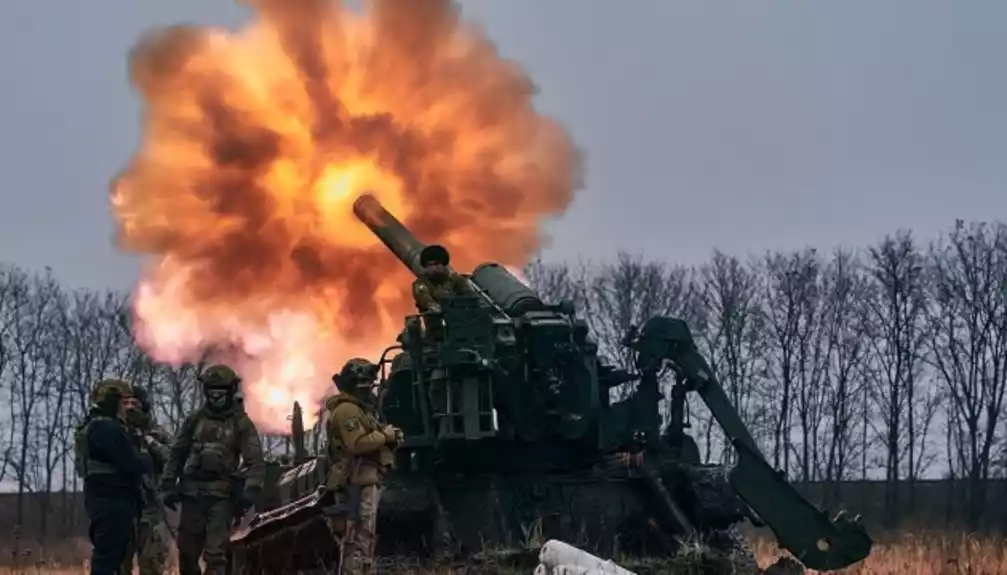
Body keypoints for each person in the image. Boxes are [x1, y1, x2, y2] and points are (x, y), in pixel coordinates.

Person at [158, 364, 265, 575]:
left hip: (222, 498)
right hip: (192, 496)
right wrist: (168, 484)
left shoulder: (241, 423)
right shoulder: (194, 420)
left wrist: (250, 491)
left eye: (221, 392)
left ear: (230, 391)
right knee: (187, 554)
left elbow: (255, 461)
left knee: (216, 555)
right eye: (212, 392)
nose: (216, 397)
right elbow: (177, 453)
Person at [324, 358, 403, 575]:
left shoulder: (359, 410)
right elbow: (357, 444)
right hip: (355, 482)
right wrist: (384, 435)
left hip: (365, 480)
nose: (369, 387)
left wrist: (390, 438)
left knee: (364, 539)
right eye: (365, 383)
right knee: (356, 539)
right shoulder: (347, 410)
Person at [73, 378, 149, 575]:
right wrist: (146, 459)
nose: (127, 408)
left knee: (110, 555)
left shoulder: (93, 425)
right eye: (124, 402)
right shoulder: (107, 428)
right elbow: (130, 462)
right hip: (112, 501)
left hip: (102, 499)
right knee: (108, 558)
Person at [120, 386, 174, 575]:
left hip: (150, 507)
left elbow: (171, 458)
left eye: (135, 403)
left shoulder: (154, 431)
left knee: (151, 562)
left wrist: (149, 441)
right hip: (121, 506)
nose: (130, 408)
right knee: (119, 562)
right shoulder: (113, 432)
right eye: (125, 403)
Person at [411, 244, 474, 314]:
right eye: (429, 265)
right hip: (437, 321)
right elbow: (424, 297)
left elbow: (471, 298)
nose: (433, 268)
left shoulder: (457, 280)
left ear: (444, 264)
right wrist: (433, 306)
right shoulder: (420, 283)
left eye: (436, 264)